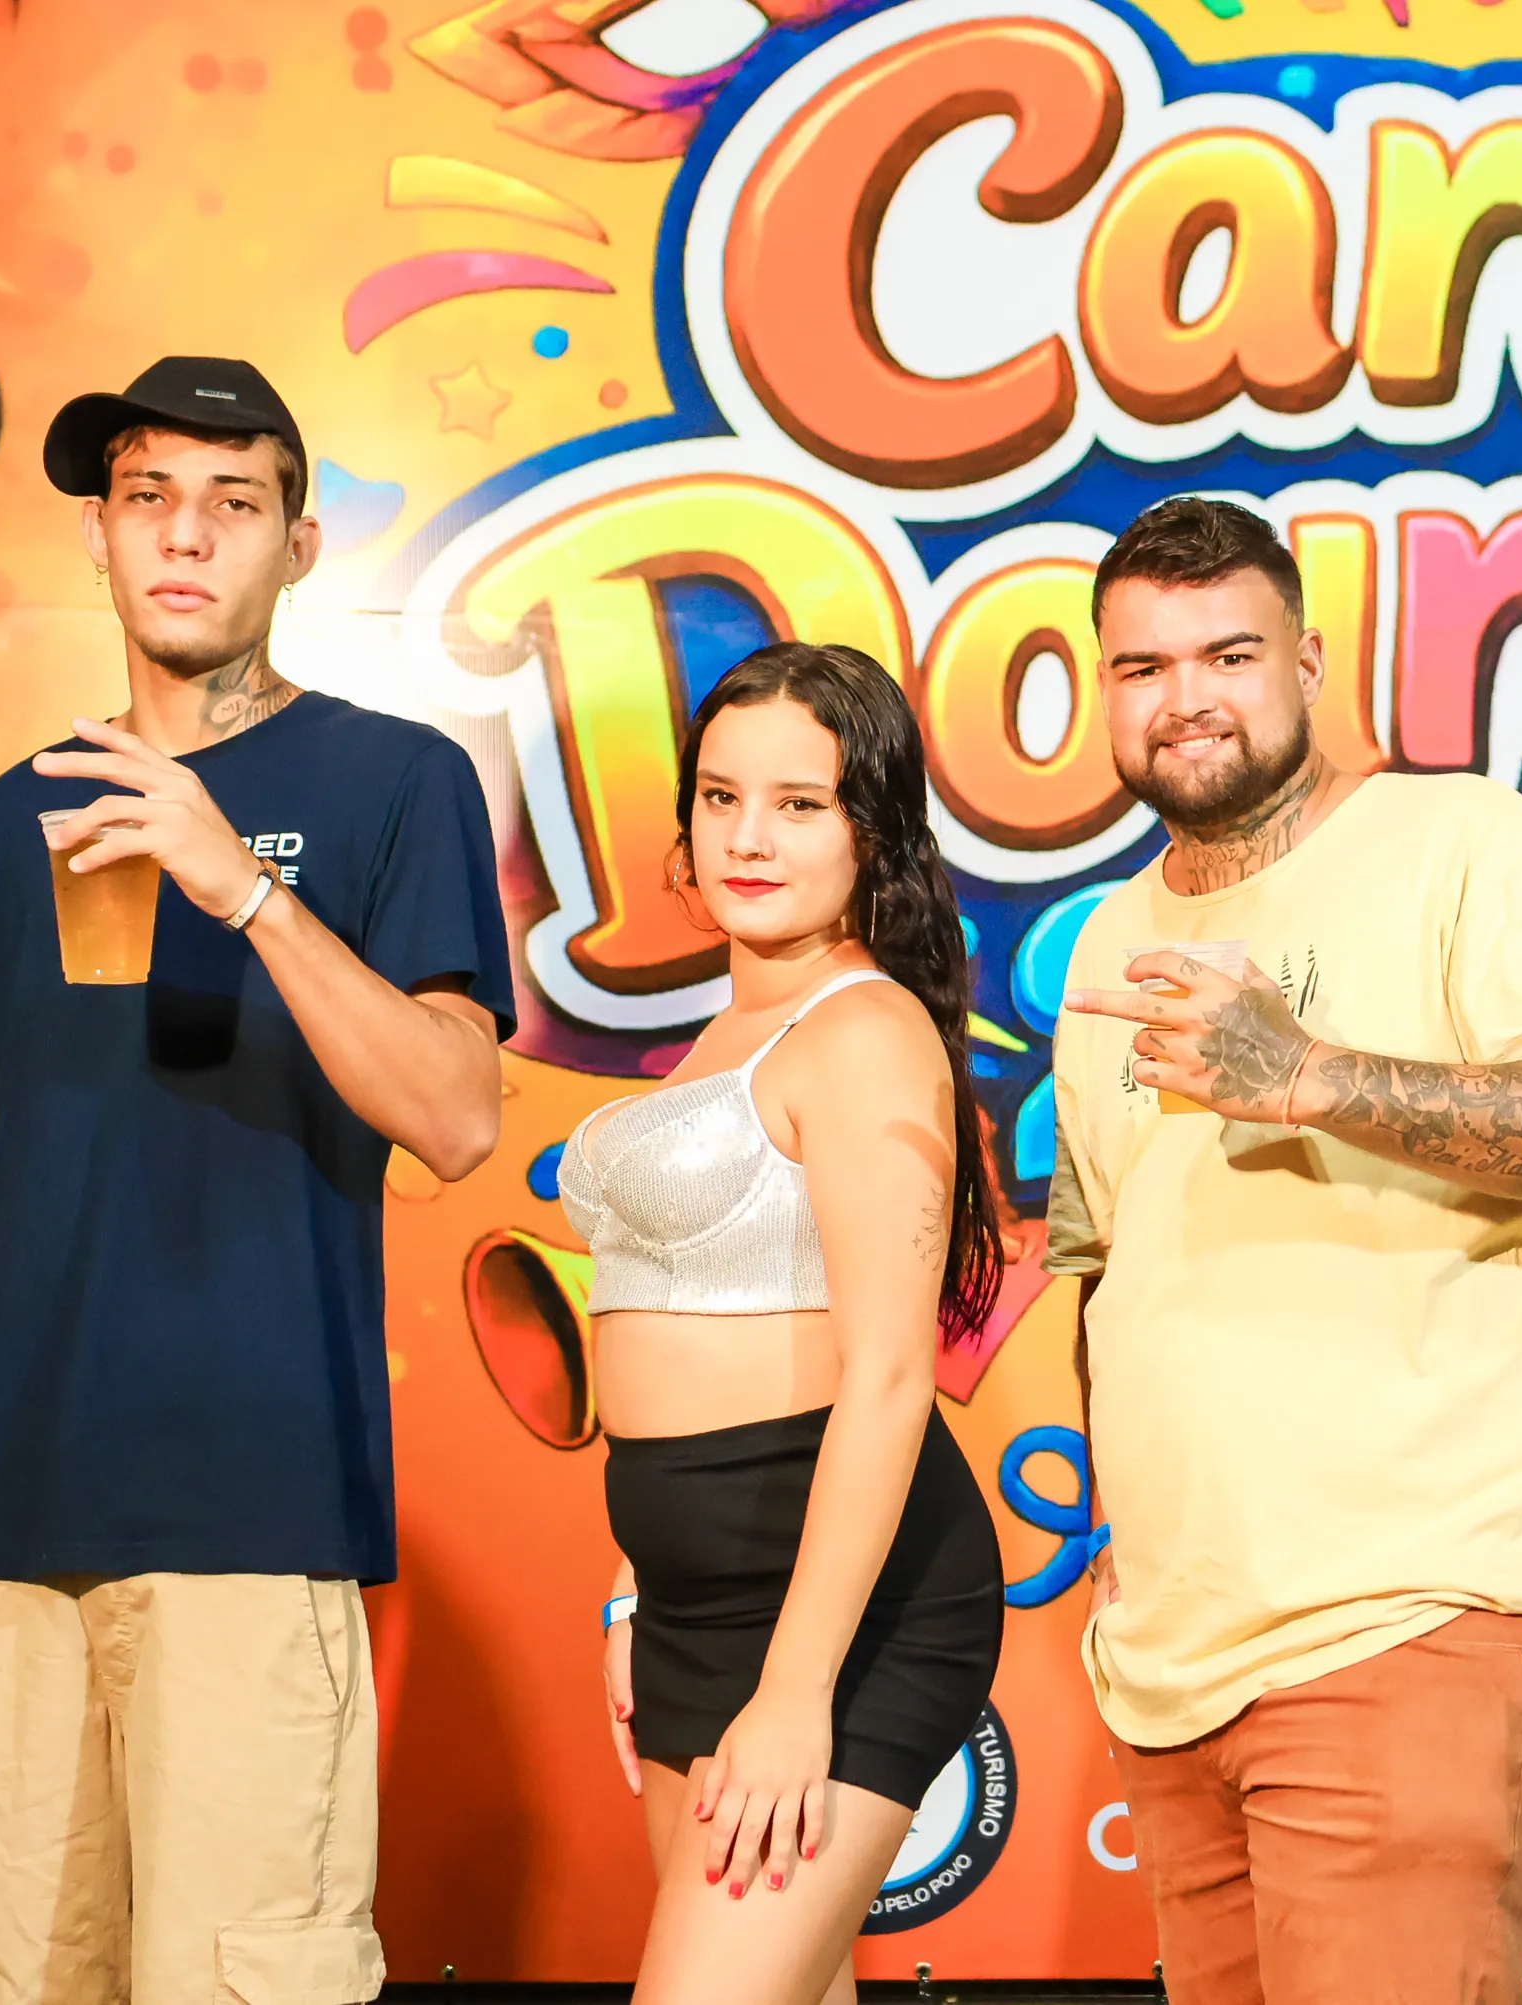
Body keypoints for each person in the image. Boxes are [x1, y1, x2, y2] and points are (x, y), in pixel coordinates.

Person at [0, 356, 515, 2005]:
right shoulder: (12, 817)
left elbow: (456, 1117)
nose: (186, 535)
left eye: (234, 502)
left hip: (246, 1523)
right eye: (148, 497)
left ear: (299, 546)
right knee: (3, 1980)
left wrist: (244, 890)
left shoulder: (395, 781)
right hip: (0, 1535)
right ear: (100, 535)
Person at [1049, 497, 1522, 2005]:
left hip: (1419, 1615)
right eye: (1143, 668)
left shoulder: (1461, 841)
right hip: (1179, 1666)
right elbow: (1108, 1265)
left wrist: (1309, 1076)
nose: (1187, 699)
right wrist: (1130, 1546)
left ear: (1309, 664)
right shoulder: (1105, 939)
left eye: (1229, 655)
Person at [560, 642, 1006, 2005]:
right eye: (721, 797)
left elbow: (890, 1379)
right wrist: (640, 1590)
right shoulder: (724, 1036)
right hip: (693, 1604)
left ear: (871, 830)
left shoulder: (862, 1031)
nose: (747, 837)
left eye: (799, 804)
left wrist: (799, 1688)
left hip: (842, 1614)